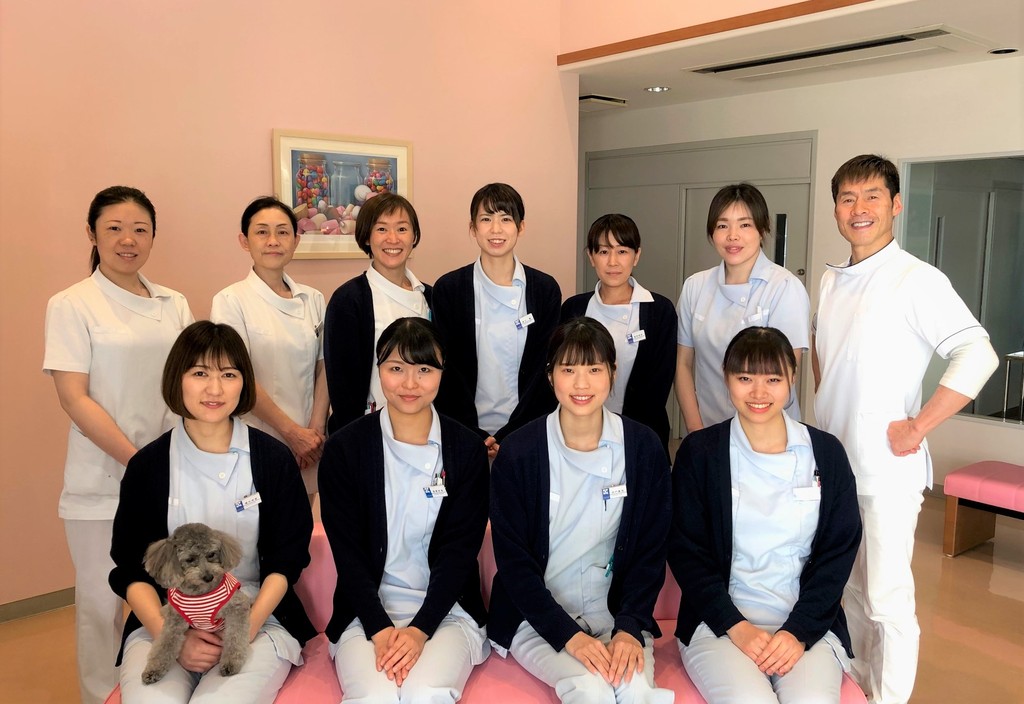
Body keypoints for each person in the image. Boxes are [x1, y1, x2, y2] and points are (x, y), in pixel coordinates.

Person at [813, 154, 998, 704]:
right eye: (847, 198)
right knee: (847, 588)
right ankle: (858, 686)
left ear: (895, 205)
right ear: (836, 210)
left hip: (885, 472)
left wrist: (919, 426)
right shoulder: (831, 278)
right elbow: (827, 358)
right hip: (834, 468)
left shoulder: (916, 279)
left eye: (872, 196)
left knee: (886, 599)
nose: (859, 208)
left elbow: (978, 353)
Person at [109, 321, 316, 703]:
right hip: (168, 616)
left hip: (256, 615)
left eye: (229, 374)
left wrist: (244, 629)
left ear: (244, 383)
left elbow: (287, 561)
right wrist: (173, 638)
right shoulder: (148, 466)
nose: (215, 389)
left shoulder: (273, 460)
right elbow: (130, 569)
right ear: (178, 379)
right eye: (200, 373)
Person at [43, 186, 194, 704]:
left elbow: (189, 384)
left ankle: (168, 687)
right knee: (99, 604)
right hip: (103, 481)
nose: (128, 240)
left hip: (173, 474)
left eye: (140, 230)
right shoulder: (72, 304)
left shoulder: (174, 303)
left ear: (153, 236)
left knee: (174, 593)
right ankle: (100, 696)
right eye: (114, 228)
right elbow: (74, 397)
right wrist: (139, 462)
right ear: (92, 234)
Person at [669, 326, 862, 704]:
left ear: (792, 377)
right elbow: (686, 552)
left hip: (806, 627)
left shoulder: (826, 453)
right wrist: (736, 626)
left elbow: (838, 553)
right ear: (726, 378)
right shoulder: (701, 453)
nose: (759, 392)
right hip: (719, 626)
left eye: (773, 379)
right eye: (745, 378)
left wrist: (798, 631)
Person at [489, 317, 673, 704]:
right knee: (591, 688)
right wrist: (567, 635)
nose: (581, 383)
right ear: (550, 375)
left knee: (637, 689)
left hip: (616, 615)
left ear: (612, 372)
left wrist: (628, 628)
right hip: (536, 619)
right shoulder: (520, 452)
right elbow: (514, 563)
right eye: (568, 369)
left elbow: (650, 551)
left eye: (594, 369)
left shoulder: (643, 447)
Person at [319, 317, 489, 702]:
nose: (410, 384)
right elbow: (347, 553)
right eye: (396, 368)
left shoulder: (466, 450)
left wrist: (419, 630)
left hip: (447, 611)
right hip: (364, 611)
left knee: (427, 692)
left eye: (424, 370)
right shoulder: (345, 449)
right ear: (378, 369)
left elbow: (460, 551)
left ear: (442, 372)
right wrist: (380, 628)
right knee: (372, 695)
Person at [211, 196, 328, 502]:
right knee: (256, 526)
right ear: (244, 241)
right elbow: (236, 376)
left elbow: (324, 366)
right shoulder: (230, 301)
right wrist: (291, 433)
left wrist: (315, 431)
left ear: (296, 241)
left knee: (299, 525)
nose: (273, 241)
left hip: (309, 446)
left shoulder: (313, 299)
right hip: (255, 439)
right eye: (262, 232)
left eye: (283, 232)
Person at [432, 183, 561, 459]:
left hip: (530, 429)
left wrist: (513, 433)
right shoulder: (449, 289)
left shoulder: (545, 289)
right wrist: (473, 433)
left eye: (505, 219)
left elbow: (545, 368)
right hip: (462, 429)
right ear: (472, 228)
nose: (496, 229)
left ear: (521, 227)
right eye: (486, 219)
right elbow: (447, 368)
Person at [675, 183, 809, 433]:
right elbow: (683, 364)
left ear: (762, 229)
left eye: (745, 225)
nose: (732, 236)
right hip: (709, 425)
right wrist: (696, 431)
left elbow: (785, 373)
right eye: (722, 225)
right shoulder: (695, 286)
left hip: (768, 431)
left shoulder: (784, 287)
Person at [560, 214, 675, 454]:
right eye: (603, 251)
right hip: (579, 435)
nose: (613, 262)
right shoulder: (573, 308)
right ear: (591, 257)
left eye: (622, 251)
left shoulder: (659, 310)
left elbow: (659, 384)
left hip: (641, 435)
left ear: (637, 255)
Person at [324, 193, 431, 434]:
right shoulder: (349, 300)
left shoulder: (431, 296)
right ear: (367, 236)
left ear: (414, 236)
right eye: (381, 229)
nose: (393, 238)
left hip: (426, 428)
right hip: (369, 430)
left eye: (402, 229)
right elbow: (342, 386)